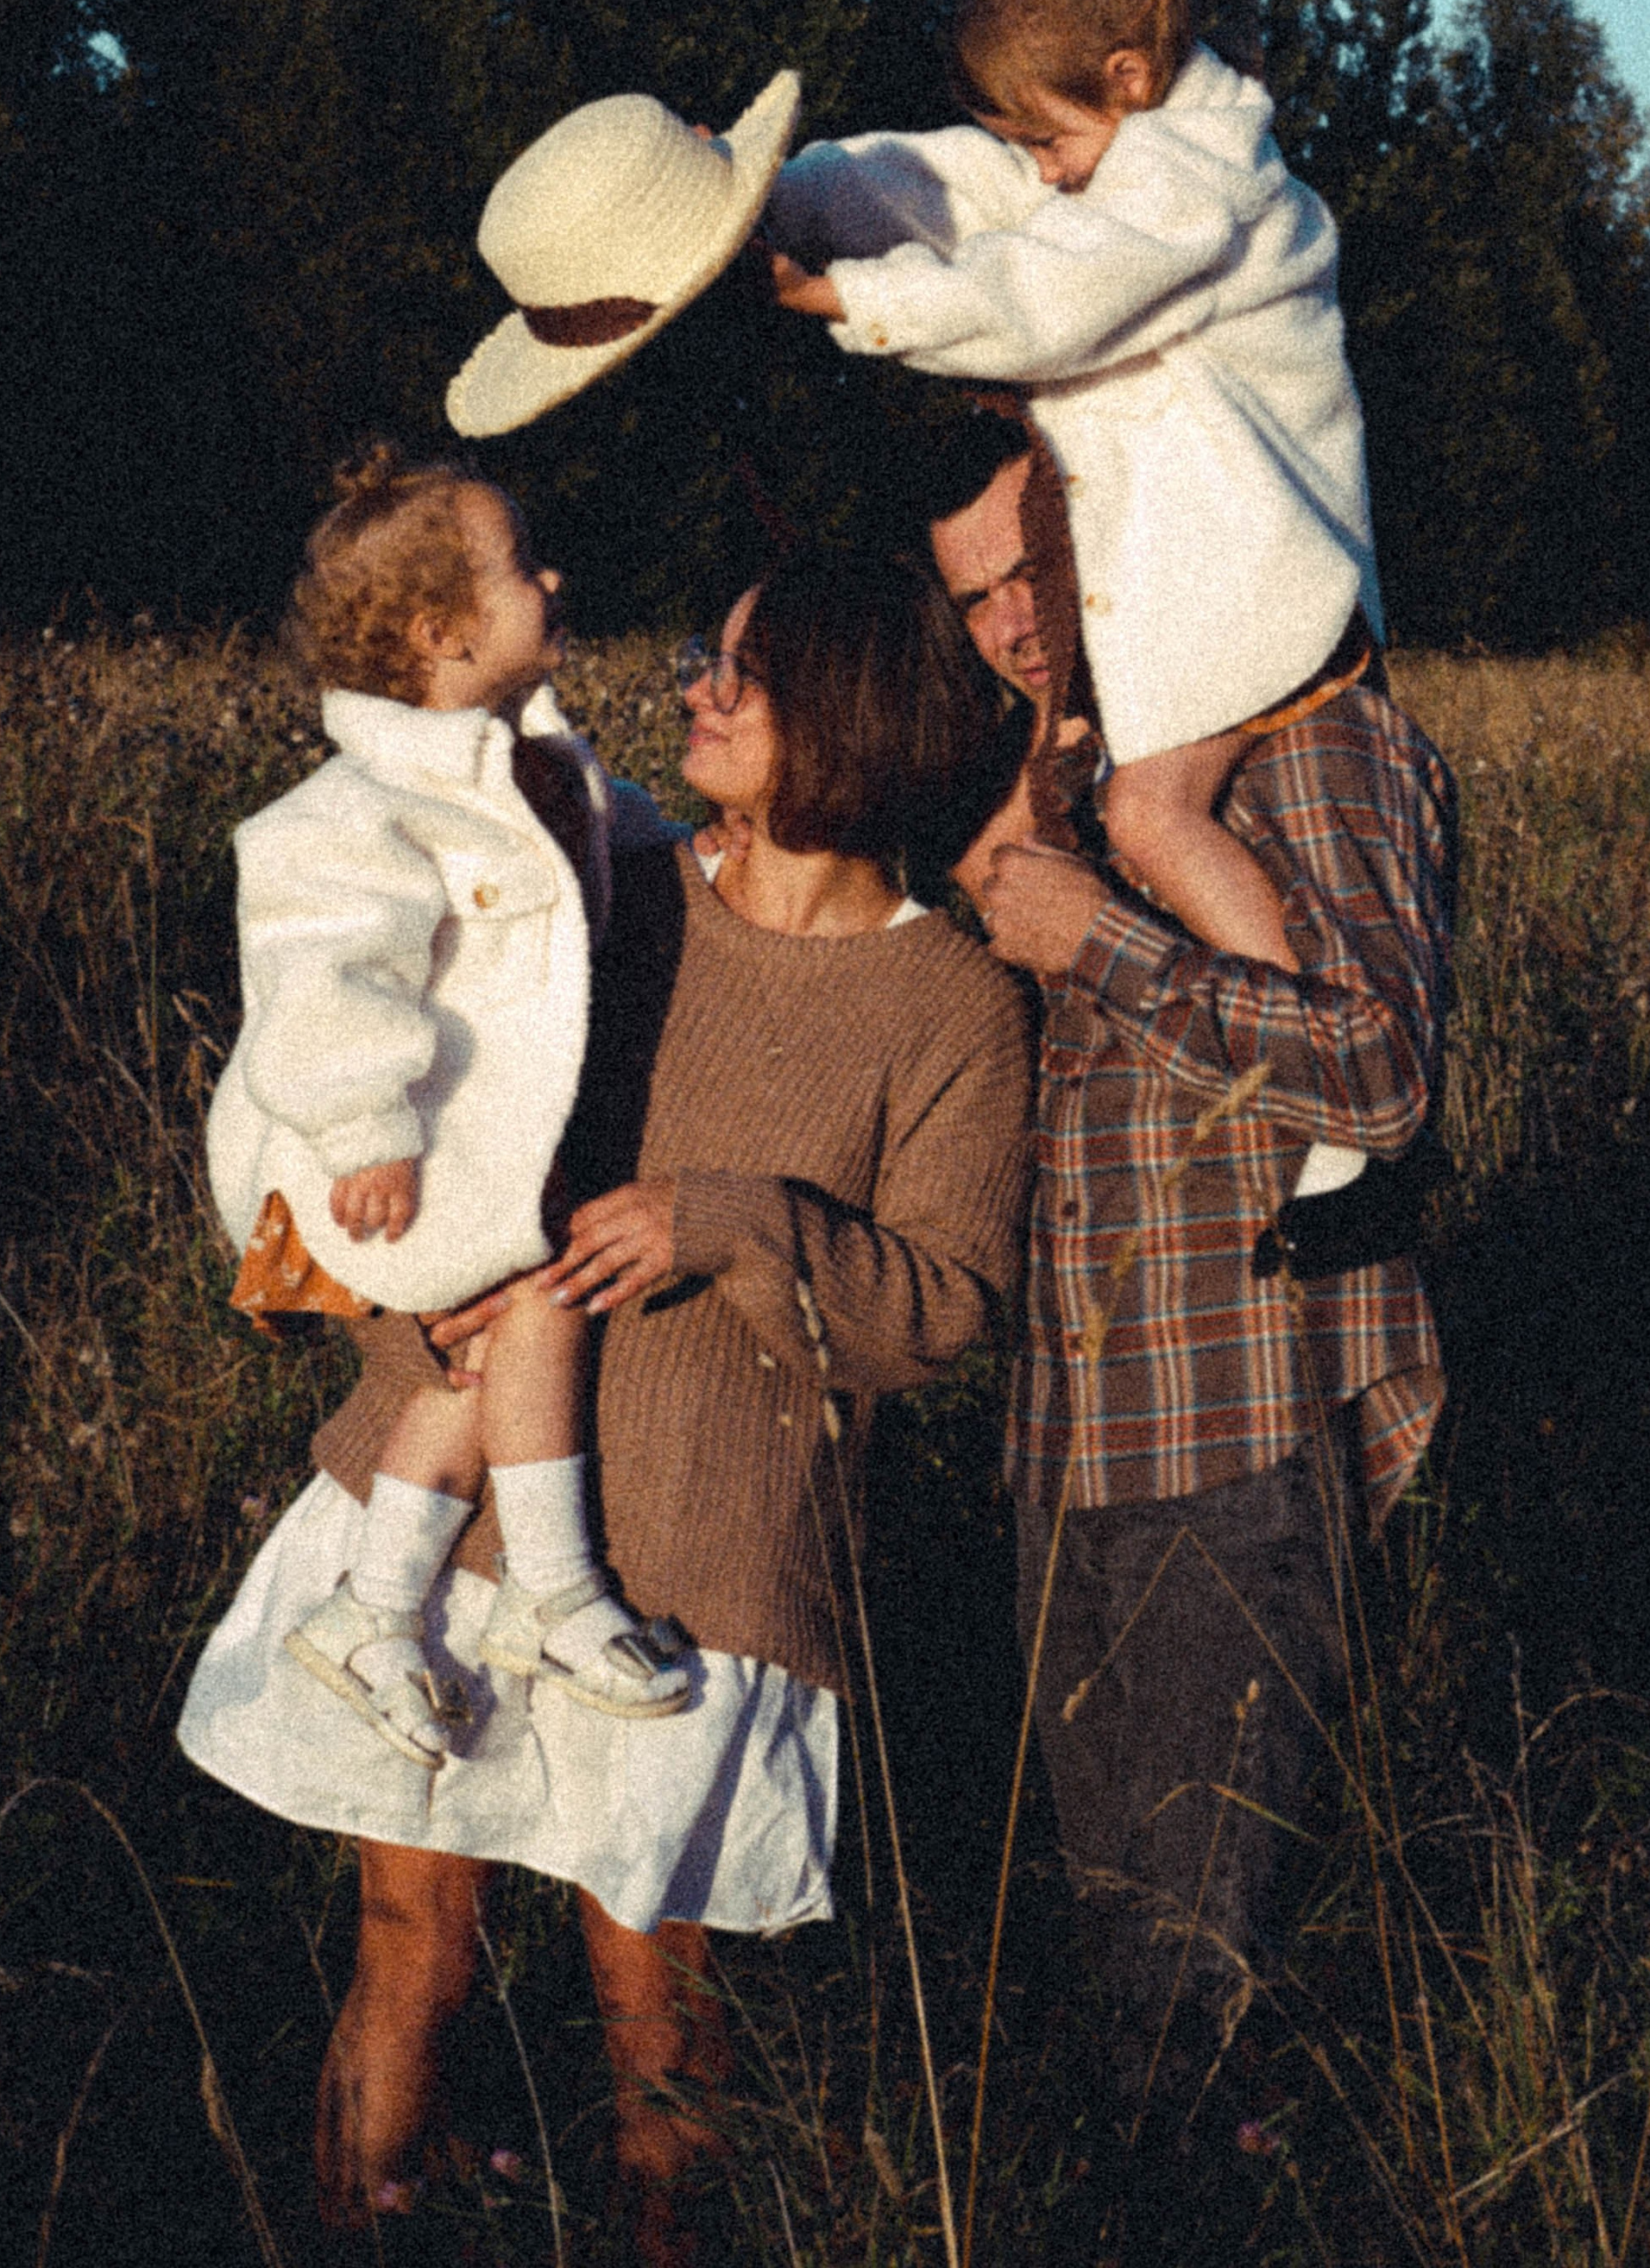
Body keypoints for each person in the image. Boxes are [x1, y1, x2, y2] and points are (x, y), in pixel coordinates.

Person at [179, 547, 1031, 2261]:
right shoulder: (605, 891)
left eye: (744, 671)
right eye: (709, 662)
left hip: (702, 1583)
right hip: (447, 1525)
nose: (697, 690)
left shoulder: (953, 1003)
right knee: (410, 1948)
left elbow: (937, 1313)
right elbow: (396, 1094)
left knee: (661, 2026)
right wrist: (382, 1305)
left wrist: (724, 1224)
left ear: (851, 716)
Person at [922, 411, 1453, 2227]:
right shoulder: (1064, 777)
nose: (1006, 624)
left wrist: (1097, 940)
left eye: (1028, 570)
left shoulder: (1308, 747)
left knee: (1199, 1995)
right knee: (1114, 1953)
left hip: (1231, 1441)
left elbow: (1381, 1074)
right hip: (1068, 1448)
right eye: (971, 597)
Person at [766, 0, 1381, 975]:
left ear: (1129, 75)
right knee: (1135, 813)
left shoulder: (1197, 192)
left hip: (1265, 588)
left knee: (1150, 816)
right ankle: (1272, 1020)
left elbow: (1043, 298)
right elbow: (950, 189)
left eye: (1046, 142)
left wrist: (842, 297)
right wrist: (779, 200)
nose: (1039, 176)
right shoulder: (1120, 155)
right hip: (1211, 584)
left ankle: (1286, 1025)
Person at [205, 446, 687, 1744]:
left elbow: (606, 836)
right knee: (538, 1293)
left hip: (449, 1142)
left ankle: (372, 1609)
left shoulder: (524, 765)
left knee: (472, 1370)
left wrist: (684, 847)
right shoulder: (358, 807)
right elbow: (319, 975)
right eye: (523, 565)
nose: (554, 575)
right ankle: (555, 1586)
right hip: (347, 1151)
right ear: (442, 632)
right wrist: (366, 1129)